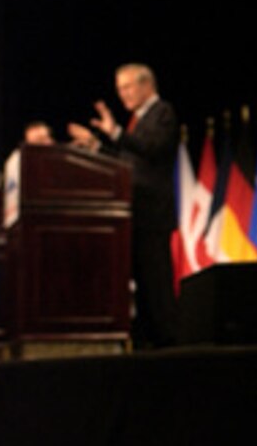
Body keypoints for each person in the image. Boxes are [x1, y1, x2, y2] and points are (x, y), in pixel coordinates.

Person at [69, 63, 180, 348]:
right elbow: (127, 164)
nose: (123, 95)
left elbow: (152, 148)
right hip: (135, 214)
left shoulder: (162, 112)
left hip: (153, 215)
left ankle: (168, 345)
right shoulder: (138, 122)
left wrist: (116, 132)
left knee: (157, 287)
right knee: (142, 288)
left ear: (147, 85)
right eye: (119, 89)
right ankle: (146, 344)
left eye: (128, 87)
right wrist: (97, 147)